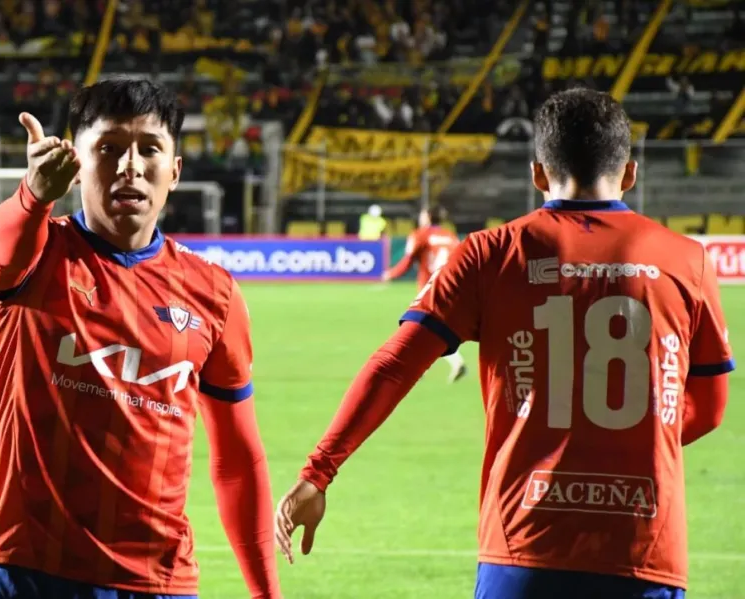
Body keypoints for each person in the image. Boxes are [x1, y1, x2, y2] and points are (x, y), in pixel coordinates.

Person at [274, 88, 734, 599]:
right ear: (630, 173)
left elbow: (393, 366)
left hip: (523, 545)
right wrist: (623, 442)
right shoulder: (688, 261)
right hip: (644, 549)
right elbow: (710, 408)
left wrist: (319, 472)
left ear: (537, 173)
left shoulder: (488, 253)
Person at [0, 78, 282, 599]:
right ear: (77, 164)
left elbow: (237, 459)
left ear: (175, 171)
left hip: (162, 582)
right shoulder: (35, 255)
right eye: (109, 148)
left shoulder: (214, 293)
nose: (130, 166)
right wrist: (32, 196)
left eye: (149, 149)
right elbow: (1, 253)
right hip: (36, 574)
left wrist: (266, 593)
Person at [382, 204, 466, 382]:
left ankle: (418, 367)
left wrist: (391, 274)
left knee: (416, 327)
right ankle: (451, 363)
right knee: (433, 328)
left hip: (429, 289)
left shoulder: (420, 234)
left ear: (427, 217)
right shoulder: (450, 236)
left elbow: (408, 260)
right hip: (451, 286)